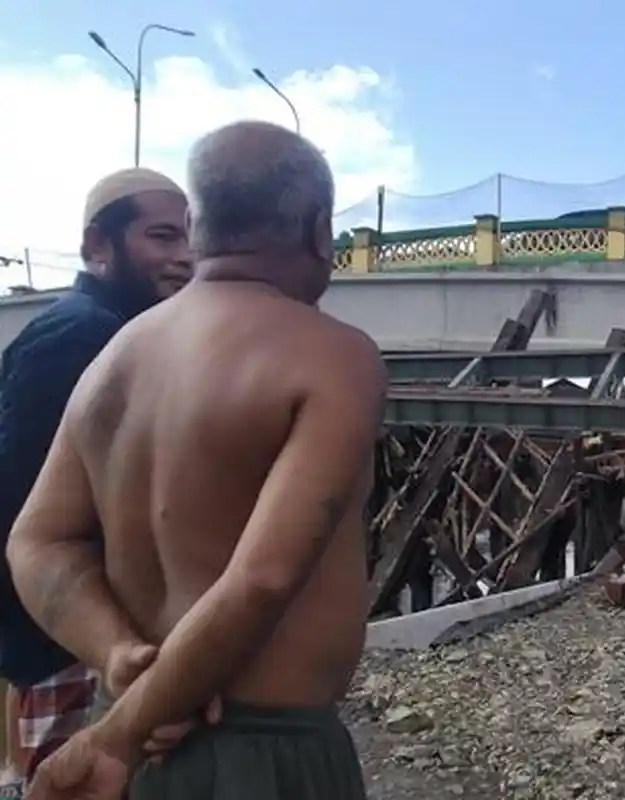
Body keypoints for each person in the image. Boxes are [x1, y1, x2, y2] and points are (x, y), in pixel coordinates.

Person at [8, 120, 385, 800]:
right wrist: (118, 738)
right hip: (261, 755)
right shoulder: (334, 354)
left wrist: (123, 659)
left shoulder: (115, 360)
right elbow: (264, 578)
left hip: (131, 723)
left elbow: (36, 541)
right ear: (319, 230)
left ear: (195, 222)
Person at [0, 168, 191, 793]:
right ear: (96, 247)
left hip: (82, 635)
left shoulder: (109, 331)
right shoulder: (82, 337)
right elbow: (25, 507)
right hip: (68, 639)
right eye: (162, 237)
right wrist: (87, 641)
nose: (184, 257)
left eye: (190, 236)